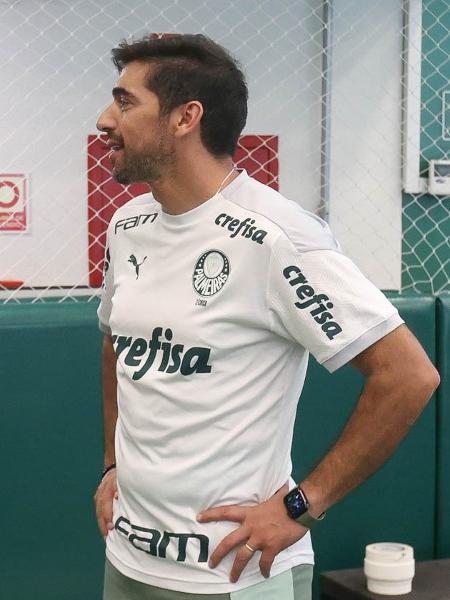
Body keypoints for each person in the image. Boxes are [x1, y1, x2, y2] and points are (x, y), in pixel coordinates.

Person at [94, 34, 439, 600]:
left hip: (234, 575)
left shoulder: (279, 236)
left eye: (125, 101)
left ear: (186, 117)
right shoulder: (128, 224)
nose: (106, 119)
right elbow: (116, 344)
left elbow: (409, 376)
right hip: (128, 560)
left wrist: (303, 505)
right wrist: (112, 467)